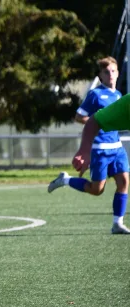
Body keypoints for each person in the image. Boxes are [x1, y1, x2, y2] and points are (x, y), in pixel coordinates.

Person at [65, 92, 130, 307]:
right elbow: (92, 121)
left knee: (121, 183)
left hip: (115, 151)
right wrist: (83, 149)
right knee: (97, 188)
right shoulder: (117, 99)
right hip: (103, 151)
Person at [48, 56, 129, 234]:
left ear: (118, 73)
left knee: (124, 181)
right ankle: (66, 180)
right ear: (100, 76)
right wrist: (98, 124)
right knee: (97, 189)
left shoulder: (119, 95)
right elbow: (79, 116)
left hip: (116, 147)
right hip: (100, 149)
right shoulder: (95, 95)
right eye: (106, 72)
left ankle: (117, 223)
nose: (110, 74)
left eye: (113, 71)